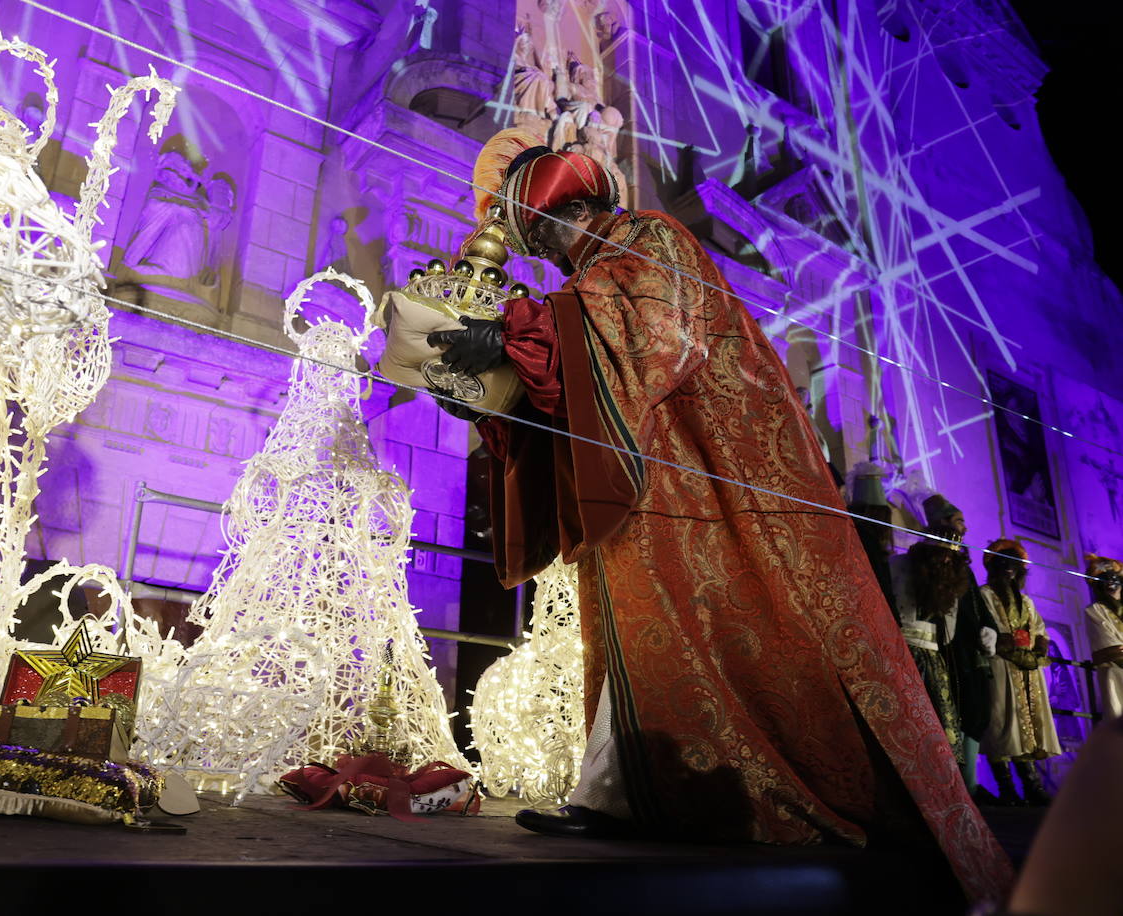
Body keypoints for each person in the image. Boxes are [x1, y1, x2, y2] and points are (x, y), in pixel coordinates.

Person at [426, 140, 1011, 902]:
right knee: (642, 636)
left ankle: (666, 791)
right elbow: (578, 370)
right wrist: (492, 371)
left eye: (537, 227)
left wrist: (515, 336)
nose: (538, 246)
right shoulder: (595, 272)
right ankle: (622, 794)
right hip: (647, 484)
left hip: (705, 485)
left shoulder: (650, 239)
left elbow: (647, 342)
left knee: (688, 632)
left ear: (566, 209)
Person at [890, 496, 998, 803]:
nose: (964, 526)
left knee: (950, 719)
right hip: (916, 654)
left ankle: (957, 785)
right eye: (958, 520)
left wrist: (987, 629)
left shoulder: (958, 574)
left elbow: (971, 611)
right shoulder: (906, 567)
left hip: (940, 655)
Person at [979, 538, 1061, 805]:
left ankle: (1032, 785)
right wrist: (1014, 643)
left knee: (1026, 728)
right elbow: (990, 629)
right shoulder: (984, 594)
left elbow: (1040, 631)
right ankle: (1006, 788)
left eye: (1014, 564)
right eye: (1003, 563)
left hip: (1027, 669)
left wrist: (1037, 648)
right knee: (1002, 723)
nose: (1009, 569)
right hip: (1000, 666)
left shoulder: (1026, 601)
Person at [1081, 554, 1123, 719]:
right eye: (1104, 578)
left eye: (1114, 577)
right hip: (1115, 673)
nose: (1110, 582)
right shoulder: (1094, 610)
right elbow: (1110, 648)